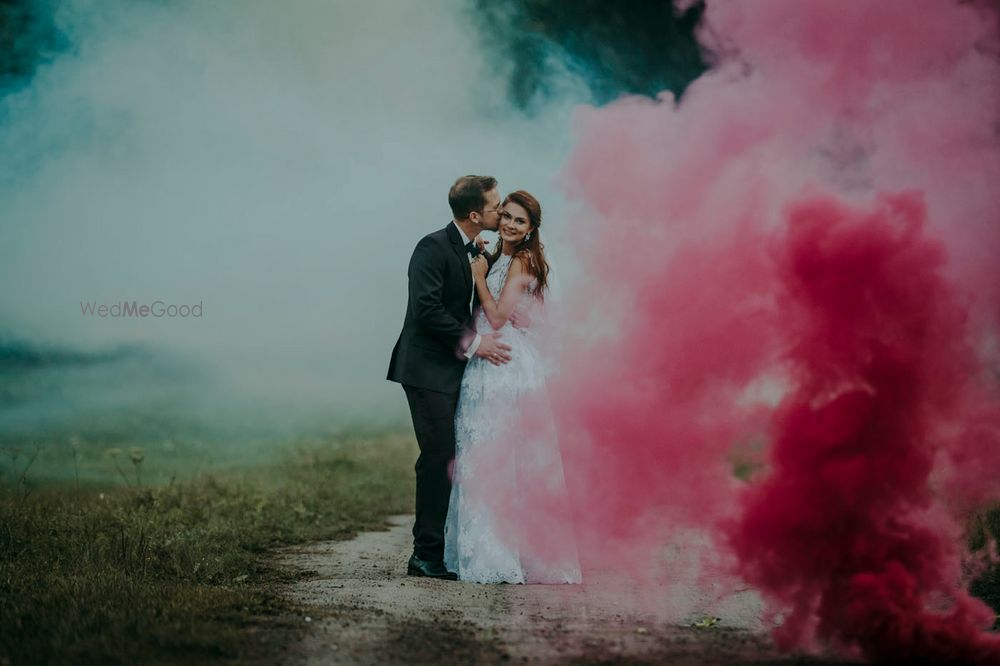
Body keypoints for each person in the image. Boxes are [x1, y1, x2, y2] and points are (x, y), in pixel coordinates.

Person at [444, 190, 581, 584]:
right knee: (482, 453)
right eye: (506, 216)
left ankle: (507, 552)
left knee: (502, 456)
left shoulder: (523, 261)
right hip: (486, 360)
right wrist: (484, 261)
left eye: (520, 221)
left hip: (505, 363)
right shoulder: (499, 254)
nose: (510, 224)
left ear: (531, 229)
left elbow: (500, 316)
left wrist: (479, 279)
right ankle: (483, 548)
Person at [387, 175, 513, 580]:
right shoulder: (431, 247)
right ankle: (424, 556)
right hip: (424, 371)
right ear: (475, 214)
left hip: (452, 371)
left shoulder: (473, 248)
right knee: (438, 458)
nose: (502, 210)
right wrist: (475, 343)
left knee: (453, 458)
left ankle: (443, 549)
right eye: (496, 207)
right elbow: (425, 309)